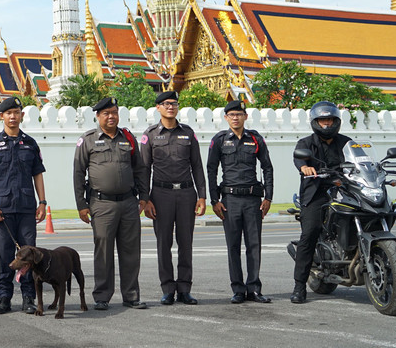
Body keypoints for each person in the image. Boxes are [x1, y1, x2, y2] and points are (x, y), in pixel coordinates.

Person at [73, 96, 149, 311]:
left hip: (128, 202)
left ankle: (131, 295)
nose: (111, 117)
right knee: (103, 251)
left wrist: (144, 197)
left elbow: (140, 169)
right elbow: (78, 173)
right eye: (106, 113)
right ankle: (102, 296)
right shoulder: (87, 140)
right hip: (101, 203)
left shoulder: (128, 138)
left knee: (131, 252)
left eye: (114, 113)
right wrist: (81, 204)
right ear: (97, 116)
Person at [0, 96, 47, 315]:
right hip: (3, 209)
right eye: (8, 113)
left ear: (21, 115)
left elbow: (37, 174)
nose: (12, 116)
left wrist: (43, 202)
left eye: (16, 112)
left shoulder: (30, 143)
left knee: (29, 255)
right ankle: (4, 298)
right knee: (5, 255)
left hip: (27, 208)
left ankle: (29, 297)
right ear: (1, 116)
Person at [140, 90, 206, 306]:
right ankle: (168, 288)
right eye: (167, 104)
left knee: (186, 244)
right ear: (158, 107)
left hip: (187, 194)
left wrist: (202, 196)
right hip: (160, 195)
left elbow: (197, 166)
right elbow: (144, 169)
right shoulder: (150, 135)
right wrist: (146, 199)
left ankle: (185, 289)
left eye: (174, 104)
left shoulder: (188, 133)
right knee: (164, 244)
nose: (171, 107)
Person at [206, 100, 274, 304]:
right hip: (230, 200)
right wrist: (214, 200)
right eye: (231, 115)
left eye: (239, 114)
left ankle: (254, 288)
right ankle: (237, 289)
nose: (235, 118)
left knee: (254, 245)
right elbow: (211, 170)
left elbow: (267, 167)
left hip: (253, 199)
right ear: (226, 118)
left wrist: (268, 197)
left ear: (245, 117)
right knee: (233, 246)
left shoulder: (255, 138)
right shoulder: (219, 140)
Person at [291, 101, 351, 304]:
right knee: (310, 233)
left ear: (336, 121)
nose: (327, 124)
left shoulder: (347, 143)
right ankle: (299, 286)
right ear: (316, 122)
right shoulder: (305, 144)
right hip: (316, 193)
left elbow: (361, 160)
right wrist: (305, 168)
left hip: (343, 190)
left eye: (330, 120)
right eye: (323, 120)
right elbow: (299, 160)